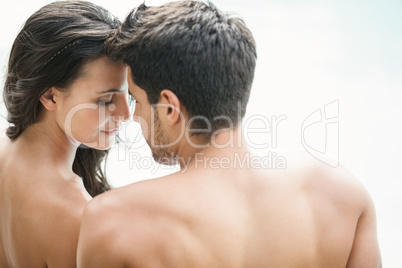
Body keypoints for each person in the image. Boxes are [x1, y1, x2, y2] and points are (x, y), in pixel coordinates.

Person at [77, 1, 382, 267]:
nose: (133, 115)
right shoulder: (343, 193)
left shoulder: (113, 221)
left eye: (135, 99)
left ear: (170, 108)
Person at [0, 1, 130, 267]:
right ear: (49, 96)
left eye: (129, 95)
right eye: (106, 100)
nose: (127, 114)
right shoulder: (77, 216)